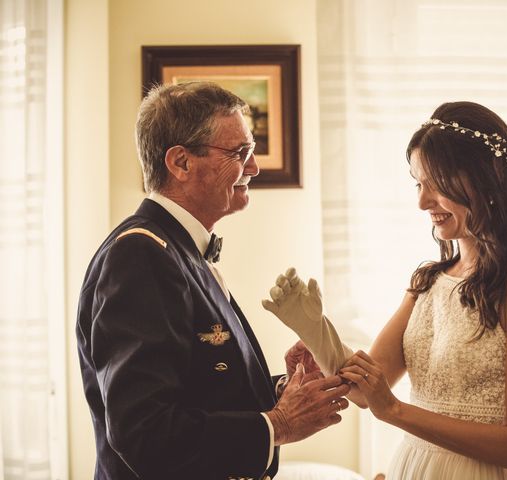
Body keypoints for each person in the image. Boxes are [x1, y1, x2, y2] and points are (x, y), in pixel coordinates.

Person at [263, 101, 507, 479]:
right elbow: (365, 392)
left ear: (485, 179)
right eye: (419, 184)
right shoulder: (428, 281)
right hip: (416, 468)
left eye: (437, 185)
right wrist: (318, 336)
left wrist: (396, 412)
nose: (423, 202)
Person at [76, 81, 350, 480]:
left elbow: (199, 385)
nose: (254, 167)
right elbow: (145, 433)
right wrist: (280, 424)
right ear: (181, 163)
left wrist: (284, 389)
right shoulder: (140, 255)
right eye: (240, 153)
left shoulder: (176, 248)